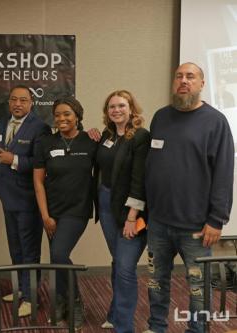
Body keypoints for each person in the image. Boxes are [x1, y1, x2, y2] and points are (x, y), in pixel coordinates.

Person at [143, 63, 234, 333]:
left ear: (202, 83)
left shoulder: (215, 121)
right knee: (156, 283)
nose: (184, 81)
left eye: (190, 76)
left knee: (198, 290)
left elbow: (224, 174)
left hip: (196, 227)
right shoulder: (160, 117)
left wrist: (217, 220)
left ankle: (197, 330)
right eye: (179, 76)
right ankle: (156, 326)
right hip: (158, 223)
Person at [33, 96, 98, 329]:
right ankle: (61, 304)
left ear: (77, 116)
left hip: (77, 209)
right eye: (58, 114)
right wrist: (45, 216)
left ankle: (76, 302)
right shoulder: (45, 143)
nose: (61, 118)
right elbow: (38, 183)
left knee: (60, 253)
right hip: (51, 211)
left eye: (67, 114)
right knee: (56, 259)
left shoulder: (91, 141)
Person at [0, 85, 50, 317]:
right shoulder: (2, 122)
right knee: (15, 247)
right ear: (9, 102)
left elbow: (40, 163)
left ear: (31, 103)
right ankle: (20, 289)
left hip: (28, 199)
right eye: (14, 100)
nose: (18, 104)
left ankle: (30, 297)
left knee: (29, 250)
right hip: (7, 197)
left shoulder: (40, 128)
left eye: (23, 100)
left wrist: (13, 158)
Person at [95, 90, 150, 332]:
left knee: (126, 268)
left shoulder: (140, 137)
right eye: (112, 107)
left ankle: (124, 327)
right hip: (106, 204)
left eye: (121, 106)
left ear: (131, 108)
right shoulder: (107, 136)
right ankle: (115, 312)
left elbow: (140, 180)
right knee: (118, 262)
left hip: (131, 210)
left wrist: (132, 216)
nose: (116, 110)